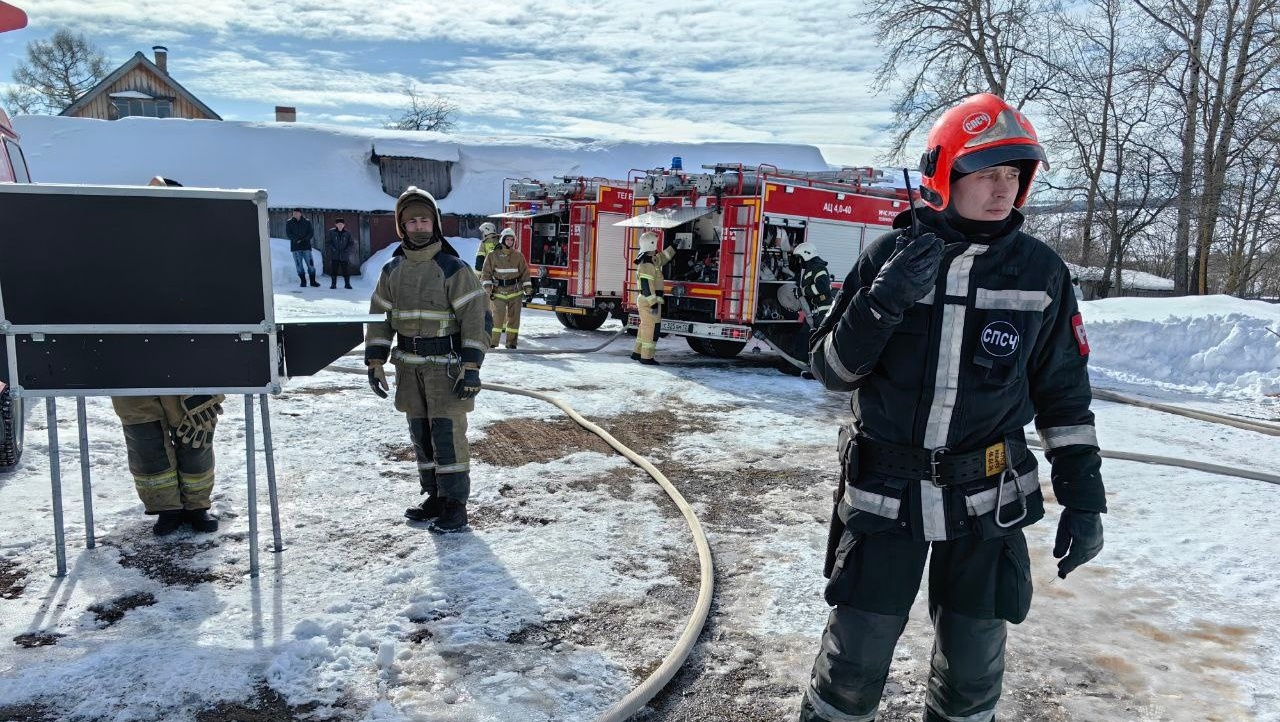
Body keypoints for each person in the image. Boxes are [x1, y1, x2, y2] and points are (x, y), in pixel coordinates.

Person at [800, 93, 1105, 722]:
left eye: (1013, 176)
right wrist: (881, 306)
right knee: (852, 670)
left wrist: (1084, 497)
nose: (1002, 190)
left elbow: (1065, 398)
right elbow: (830, 370)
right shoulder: (890, 257)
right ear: (945, 175)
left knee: (971, 677)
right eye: (987, 173)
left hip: (986, 504)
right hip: (885, 498)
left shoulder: (1041, 272)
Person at [365, 186, 489, 532]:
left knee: (447, 436)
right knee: (420, 434)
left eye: (424, 219)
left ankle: (455, 505)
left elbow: (476, 320)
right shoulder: (392, 270)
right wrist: (375, 360)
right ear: (401, 227)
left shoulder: (453, 268)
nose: (418, 226)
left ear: (433, 223)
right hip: (408, 368)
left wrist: (472, 368)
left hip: (446, 371)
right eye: (411, 221)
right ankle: (434, 495)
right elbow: (379, 317)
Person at [112, 176, 224, 536]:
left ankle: (197, 507)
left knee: (196, 437)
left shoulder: (202, 257)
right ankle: (167, 510)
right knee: (147, 445)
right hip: (135, 368)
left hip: (187, 365)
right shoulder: (119, 257)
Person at [481, 227, 532, 349]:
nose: (510, 242)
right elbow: (486, 272)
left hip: (515, 292)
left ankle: (511, 343)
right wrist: (487, 286)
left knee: (514, 319)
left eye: (511, 240)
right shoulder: (493, 255)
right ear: (503, 240)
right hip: (498, 292)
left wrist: (528, 287)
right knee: (497, 318)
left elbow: (525, 273)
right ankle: (492, 342)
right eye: (507, 239)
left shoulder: (518, 256)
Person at [631, 230, 677, 365]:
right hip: (649, 300)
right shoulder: (646, 264)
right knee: (651, 329)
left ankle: (637, 353)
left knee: (645, 327)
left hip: (649, 300)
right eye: (655, 243)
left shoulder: (651, 259)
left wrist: (674, 246)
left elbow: (662, 258)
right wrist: (653, 303)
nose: (657, 245)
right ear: (651, 244)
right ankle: (647, 357)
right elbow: (646, 286)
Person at [794, 242, 833, 328]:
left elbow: (822, 287)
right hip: (816, 313)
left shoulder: (818, 268)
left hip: (823, 314)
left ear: (806, 255)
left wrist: (802, 291)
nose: (800, 261)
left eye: (800, 258)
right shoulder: (811, 269)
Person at [286, 208, 320, 288]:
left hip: (306, 246)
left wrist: (304, 239)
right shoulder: (289, 222)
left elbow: (310, 233)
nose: (295, 214)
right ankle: (303, 282)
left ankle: (313, 282)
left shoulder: (307, 222)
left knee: (310, 265)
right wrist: (296, 240)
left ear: (300, 213)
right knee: (299, 266)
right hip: (295, 247)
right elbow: (288, 233)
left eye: (297, 213)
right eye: (294, 213)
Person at [326, 218, 356, 289]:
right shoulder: (331, 232)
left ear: (344, 225)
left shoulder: (347, 233)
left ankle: (347, 284)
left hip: (344, 255)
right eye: (338, 224)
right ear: (336, 225)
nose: (340, 225)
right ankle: (333, 284)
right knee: (334, 270)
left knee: (346, 270)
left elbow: (351, 243)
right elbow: (328, 242)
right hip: (335, 255)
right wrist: (332, 248)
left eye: (341, 224)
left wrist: (347, 249)